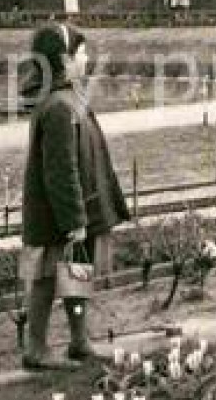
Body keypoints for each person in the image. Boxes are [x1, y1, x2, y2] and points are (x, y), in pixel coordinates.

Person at [18, 23, 131, 369]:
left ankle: (79, 340)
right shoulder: (58, 107)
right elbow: (60, 171)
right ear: (64, 60)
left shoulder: (70, 98)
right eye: (82, 53)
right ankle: (35, 348)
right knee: (46, 278)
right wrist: (74, 220)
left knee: (77, 273)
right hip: (59, 215)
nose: (87, 58)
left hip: (79, 210)